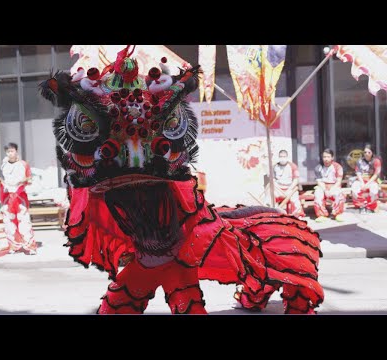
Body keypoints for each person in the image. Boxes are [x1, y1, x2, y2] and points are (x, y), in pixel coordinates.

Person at [39, 45, 323, 314]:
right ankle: (254, 290)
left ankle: (258, 290)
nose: (134, 151)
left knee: (148, 289)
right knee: (168, 284)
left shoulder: (168, 180)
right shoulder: (111, 179)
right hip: (157, 243)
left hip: (170, 240)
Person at [0, 142, 37, 255]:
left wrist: (23, 181)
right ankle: (13, 245)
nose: (10, 153)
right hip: (7, 198)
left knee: (24, 221)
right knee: (9, 222)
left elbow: (30, 180)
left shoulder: (23, 164)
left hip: (20, 197)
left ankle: (30, 246)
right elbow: (1, 181)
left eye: (12, 151)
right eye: (8, 151)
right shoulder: (3, 166)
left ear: (16, 151)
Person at [266, 150, 305, 218]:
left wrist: (289, 190)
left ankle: (298, 216)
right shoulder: (275, 166)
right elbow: (272, 179)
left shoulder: (292, 166)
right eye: (281, 156)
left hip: (290, 189)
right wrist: (278, 189)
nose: (282, 158)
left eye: (284, 156)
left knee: (295, 200)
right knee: (270, 197)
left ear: (287, 157)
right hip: (278, 188)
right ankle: (273, 215)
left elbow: (296, 180)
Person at [314, 148, 345, 222]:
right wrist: (325, 190)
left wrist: (332, 189)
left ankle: (337, 214)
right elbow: (319, 181)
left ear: (332, 157)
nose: (326, 159)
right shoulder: (318, 167)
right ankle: (322, 215)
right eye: (324, 157)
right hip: (323, 186)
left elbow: (339, 181)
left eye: (328, 157)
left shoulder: (338, 167)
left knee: (338, 193)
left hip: (334, 186)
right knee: (318, 193)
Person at [351, 144, 382, 213]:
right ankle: (360, 205)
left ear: (372, 153)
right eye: (365, 152)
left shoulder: (376, 161)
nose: (366, 154)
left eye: (369, 152)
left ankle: (371, 206)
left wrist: (367, 184)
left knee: (374, 188)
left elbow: (376, 174)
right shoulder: (359, 161)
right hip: (361, 180)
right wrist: (362, 183)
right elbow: (358, 173)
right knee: (355, 186)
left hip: (371, 181)